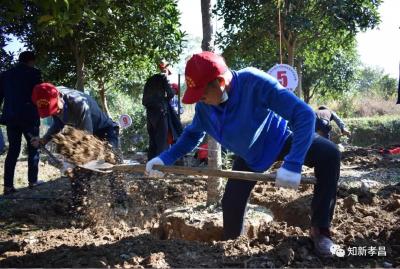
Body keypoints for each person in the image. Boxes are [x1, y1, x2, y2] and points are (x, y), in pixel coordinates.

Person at [145, 51, 341, 257]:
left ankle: (320, 230)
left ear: (220, 81)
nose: (199, 100)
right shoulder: (204, 108)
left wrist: (293, 163)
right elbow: (191, 136)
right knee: (230, 204)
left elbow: (303, 114)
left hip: (282, 139)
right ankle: (232, 244)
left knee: (329, 154)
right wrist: (163, 158)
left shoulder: (253, 82)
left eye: (202, 93)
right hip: (249, 155)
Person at [0, 51, 43, 195]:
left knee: (13, 150)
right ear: (31, 61)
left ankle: (8, 186)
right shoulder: (35, 73)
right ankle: (33, 182)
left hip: (11, 118)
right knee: (34, 148)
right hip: (29, 118)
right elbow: (39, 95)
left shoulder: (5, 75)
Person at [31, 83, 119, 149]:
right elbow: (58, 124)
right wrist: (44, 140)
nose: (56, 114)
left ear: (59, 96)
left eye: (57, 110)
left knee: (109, 157)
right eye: (52, 113)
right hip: (88, 133)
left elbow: (87, 137)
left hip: (106, 131)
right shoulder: (50, 98)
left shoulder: (79, 103)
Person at [142, 61, 181, 160]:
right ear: (166, 69)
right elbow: (170, 94)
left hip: (150, 114)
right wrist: (174, 91)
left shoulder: (149, 80)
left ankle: (150, 165)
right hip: (161, 112)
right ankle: (160, 168)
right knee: (162, 141)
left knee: (153, 141)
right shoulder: (163, 77)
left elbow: (144, 100)